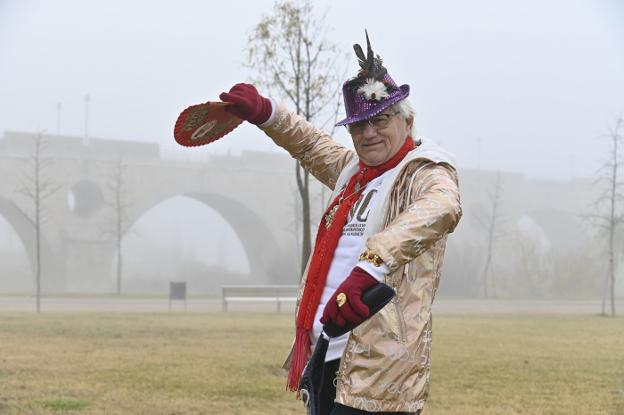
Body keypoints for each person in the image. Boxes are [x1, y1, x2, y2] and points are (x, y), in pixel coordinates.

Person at [220, 32, 462, 415]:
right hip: (325, 353)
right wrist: (266, 112)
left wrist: (372, 264)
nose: (369, 134)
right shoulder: (353, 171)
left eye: (380, 120)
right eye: (358, 126)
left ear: (408, 120)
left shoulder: (424, 172)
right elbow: (310, 144)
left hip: (381, 368)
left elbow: (442, 207)